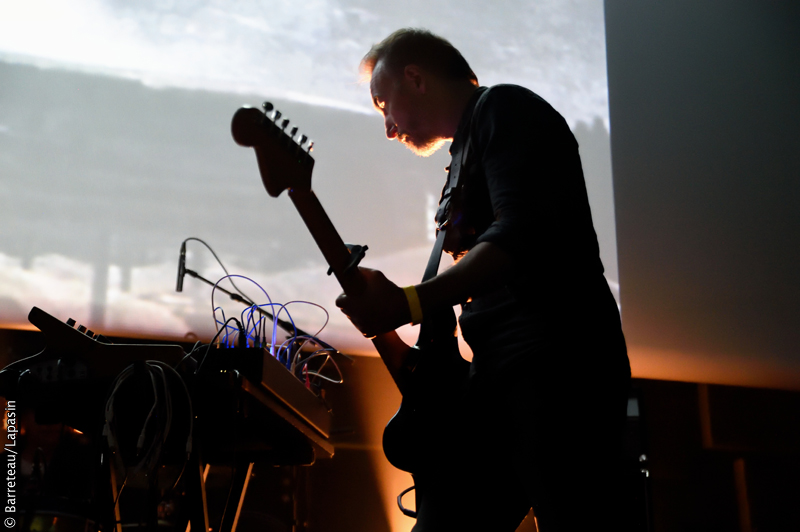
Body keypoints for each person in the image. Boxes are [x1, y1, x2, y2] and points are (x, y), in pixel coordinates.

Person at [336, 28, 632, 531]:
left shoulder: (504, 109)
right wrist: (386, 319)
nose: (387, 126)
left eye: (384, 102)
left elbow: (519, 236)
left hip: (558, 367)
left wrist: (407, 301)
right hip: (498, 378)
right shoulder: (461, 159)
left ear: (416, 77)